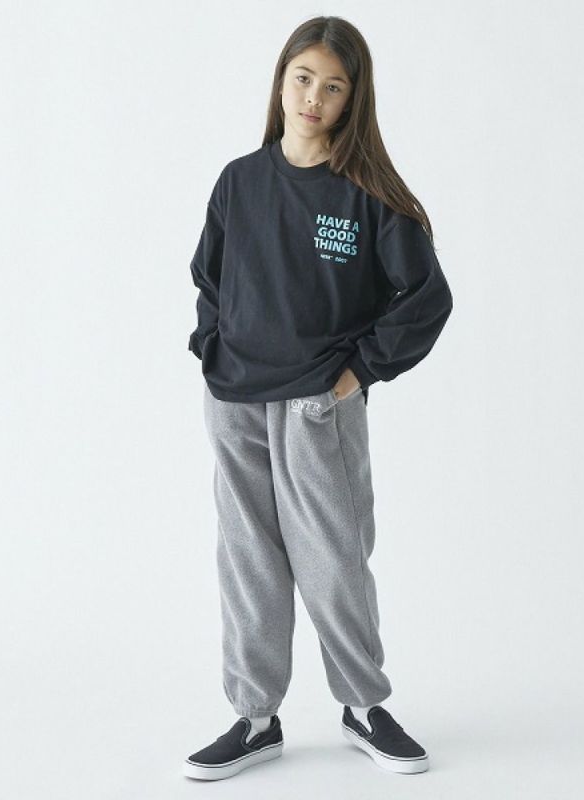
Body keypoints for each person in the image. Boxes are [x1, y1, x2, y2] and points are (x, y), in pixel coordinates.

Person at [183, 15, 453, 781]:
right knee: (248, 561)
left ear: (351, 100)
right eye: (303, 78)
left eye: (333, 87)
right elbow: (209, 278)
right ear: (281, 81)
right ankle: (254, 717)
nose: (313, 98)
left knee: (333, 559)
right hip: (235, 403)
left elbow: (426, 299)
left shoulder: (367, 194)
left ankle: (364, 706)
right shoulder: (240, 182)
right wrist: (211, 349)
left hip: (316, 406)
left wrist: (354, 374)